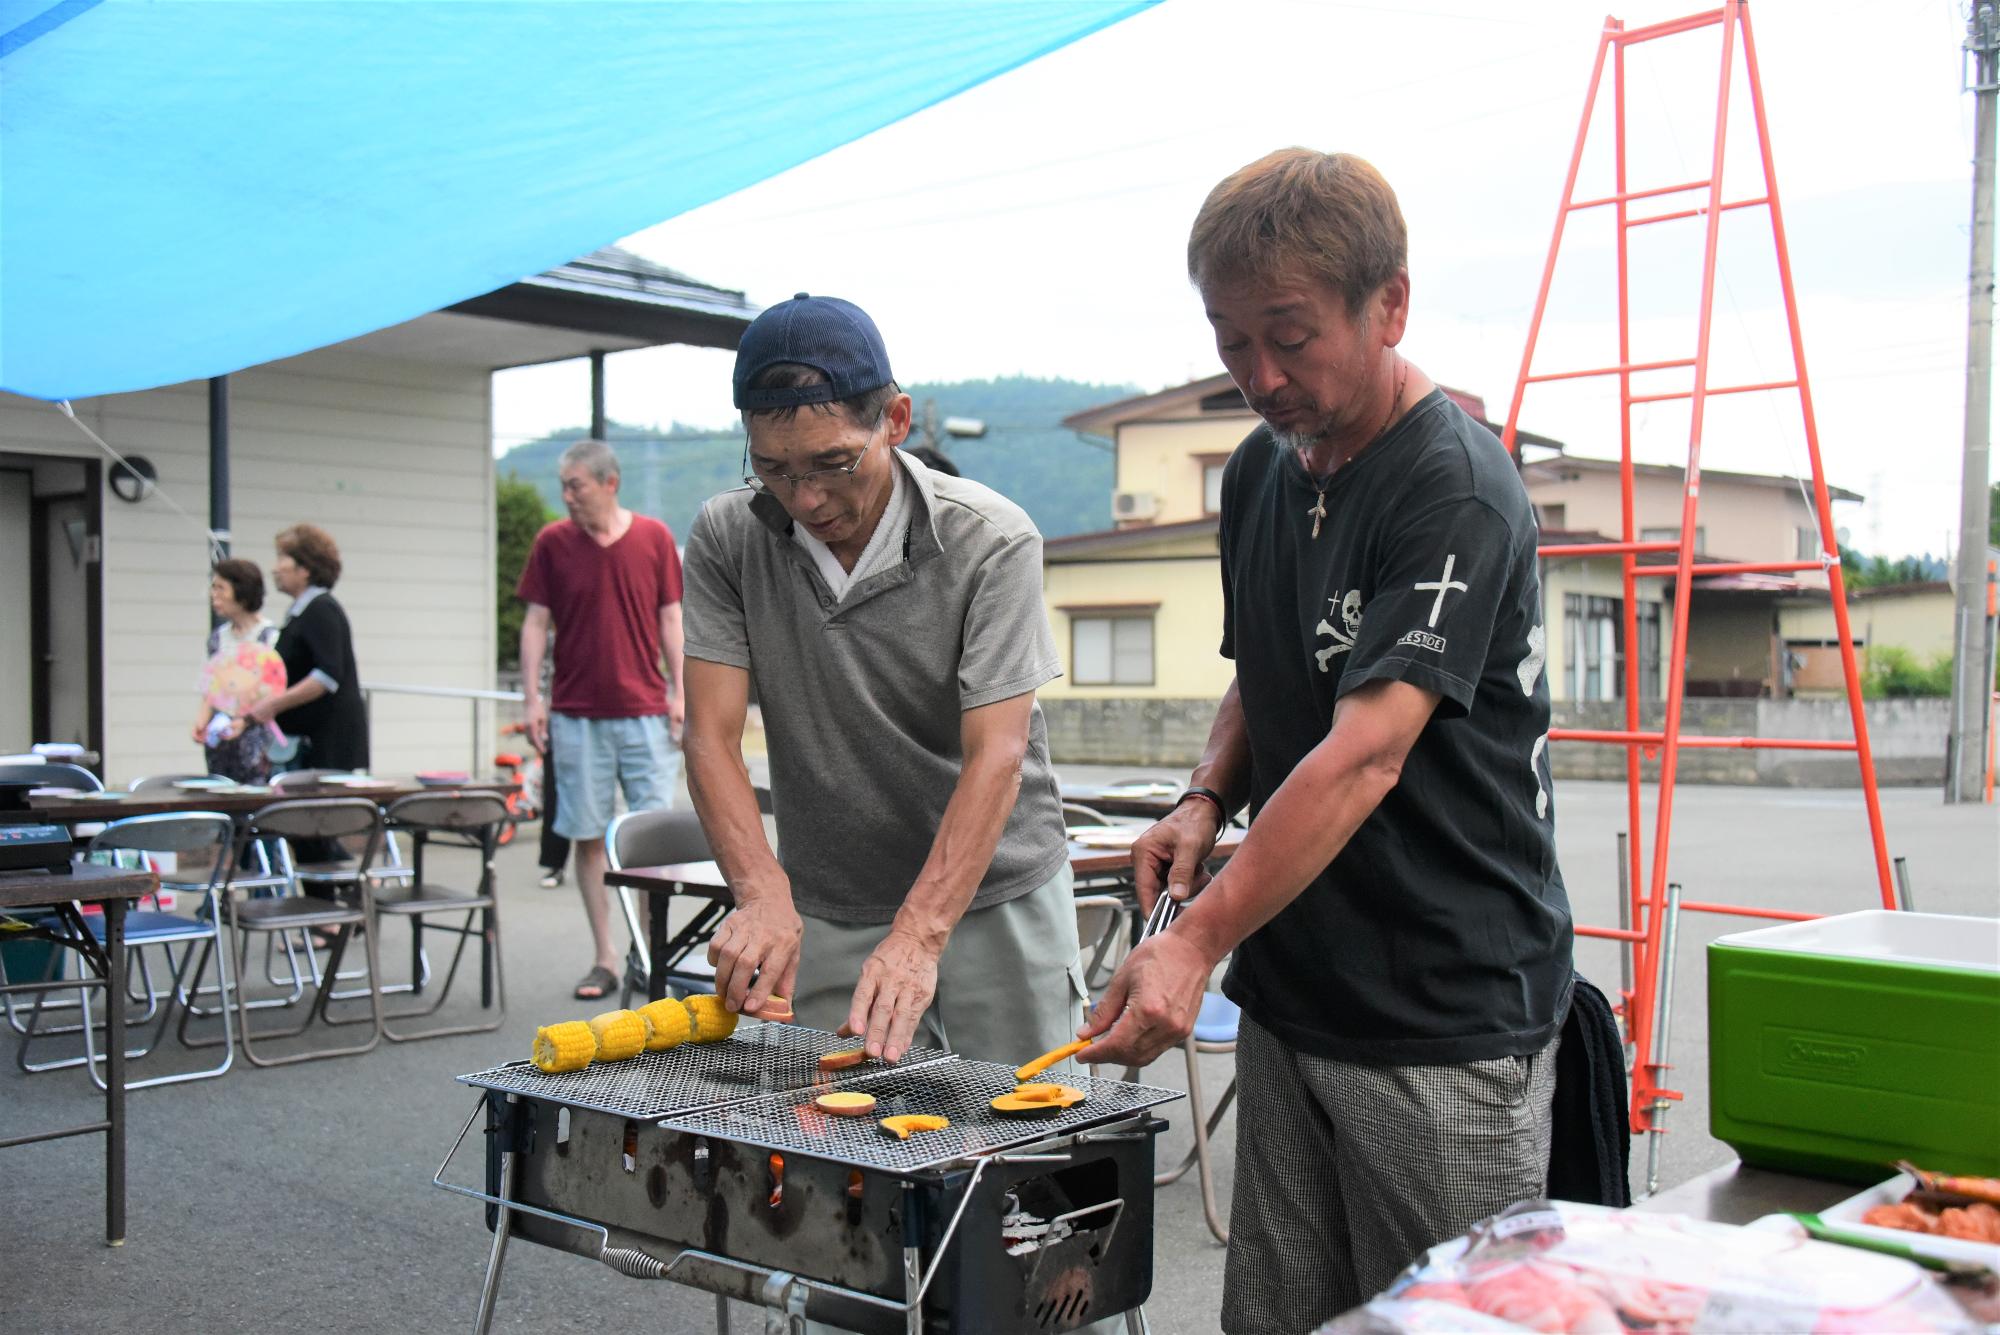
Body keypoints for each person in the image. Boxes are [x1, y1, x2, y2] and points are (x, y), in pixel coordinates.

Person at [1075, 150, 1574, 1333]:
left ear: (1386, 305)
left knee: (1447, 1321)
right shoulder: (1259, 469)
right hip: (1295, 987)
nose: (1258, 375)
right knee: (1280, 1318)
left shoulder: (1452, 485)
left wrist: (1188, 944)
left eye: (1288, 337)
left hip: (1442, 1008)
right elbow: (1267, 668)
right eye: (1229, 341)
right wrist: (1202, 798)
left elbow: (1364, 752)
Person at [681, 293, 1084, 1072]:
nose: (805, 499)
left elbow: (996, 753)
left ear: (895, 420)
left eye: (834, 462)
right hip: (828, 898)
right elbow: (710, 734)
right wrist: (763, 891)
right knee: (841, 1157)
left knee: (1029, 1147)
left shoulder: (990, 540)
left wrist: (920, 933)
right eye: (772, 469)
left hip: (996, 896)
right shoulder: (729, 537)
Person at [516, 439, 685, 1001]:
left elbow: (670, 620)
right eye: (564, 486)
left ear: (609, 483)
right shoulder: (553, 543)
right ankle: (606, 957)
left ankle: (647, 953)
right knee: (588, 838)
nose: (566, 497)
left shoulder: (655, 538)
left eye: (575, 486)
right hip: (576, 715)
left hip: (645, 713)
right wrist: (531, 699)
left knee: (648, 841)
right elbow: (536, 624)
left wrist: (681, 691)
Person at [241, 524, 368, 773]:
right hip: (304, 743)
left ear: (305, 569)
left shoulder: (321, 609)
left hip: (324, 747)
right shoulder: (301, 612)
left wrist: (274, 705)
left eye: (282, 559)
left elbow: (327, 676)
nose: (275, 569)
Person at [193, 557, 281, 783]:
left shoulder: (270, 637)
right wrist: (202, 719)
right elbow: (212, 686)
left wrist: (246, 719)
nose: (215, 595)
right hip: (221, 734)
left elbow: (272, 689)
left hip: (256, 733)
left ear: (242, 592)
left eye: (221, 588)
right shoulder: (217, 638)